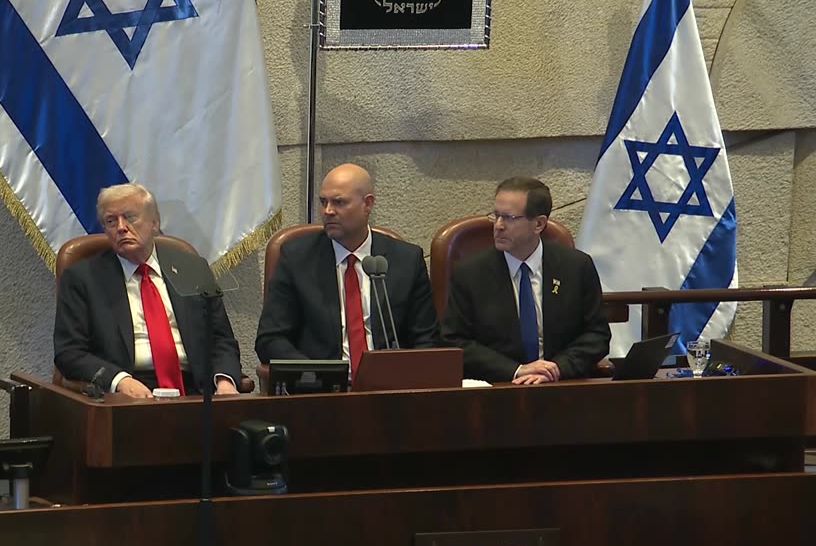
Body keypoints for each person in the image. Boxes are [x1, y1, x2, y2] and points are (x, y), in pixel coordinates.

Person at [53, 183, 242, 398]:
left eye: (130, 217)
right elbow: (69, 353)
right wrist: (119, 381)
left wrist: (225, 381)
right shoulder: (83, 279)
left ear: (155, 223)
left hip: (196, 391)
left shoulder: (192, 268)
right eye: (111, 221)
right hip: (127, 393)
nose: (121, 227)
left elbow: (221, 339)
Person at [255, 163, 440, 377]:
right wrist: (316, 374)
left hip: (389, 390)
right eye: (323, 202)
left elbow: (427, 339)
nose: (328, 211)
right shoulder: (297, 259)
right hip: (322, 391)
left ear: (367, 204)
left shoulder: (406, 260)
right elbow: (270, 340)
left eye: (339, 202)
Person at [441, 177, 610, 384]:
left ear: (538, 224)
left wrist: (558, 368)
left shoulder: (576, 267)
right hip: (499, 387)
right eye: (496, 216)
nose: (499, 226)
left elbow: (597, 335)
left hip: (562, 386)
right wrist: (517, 370)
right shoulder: (470, 274)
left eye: (510, 218)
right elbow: (456, 342)